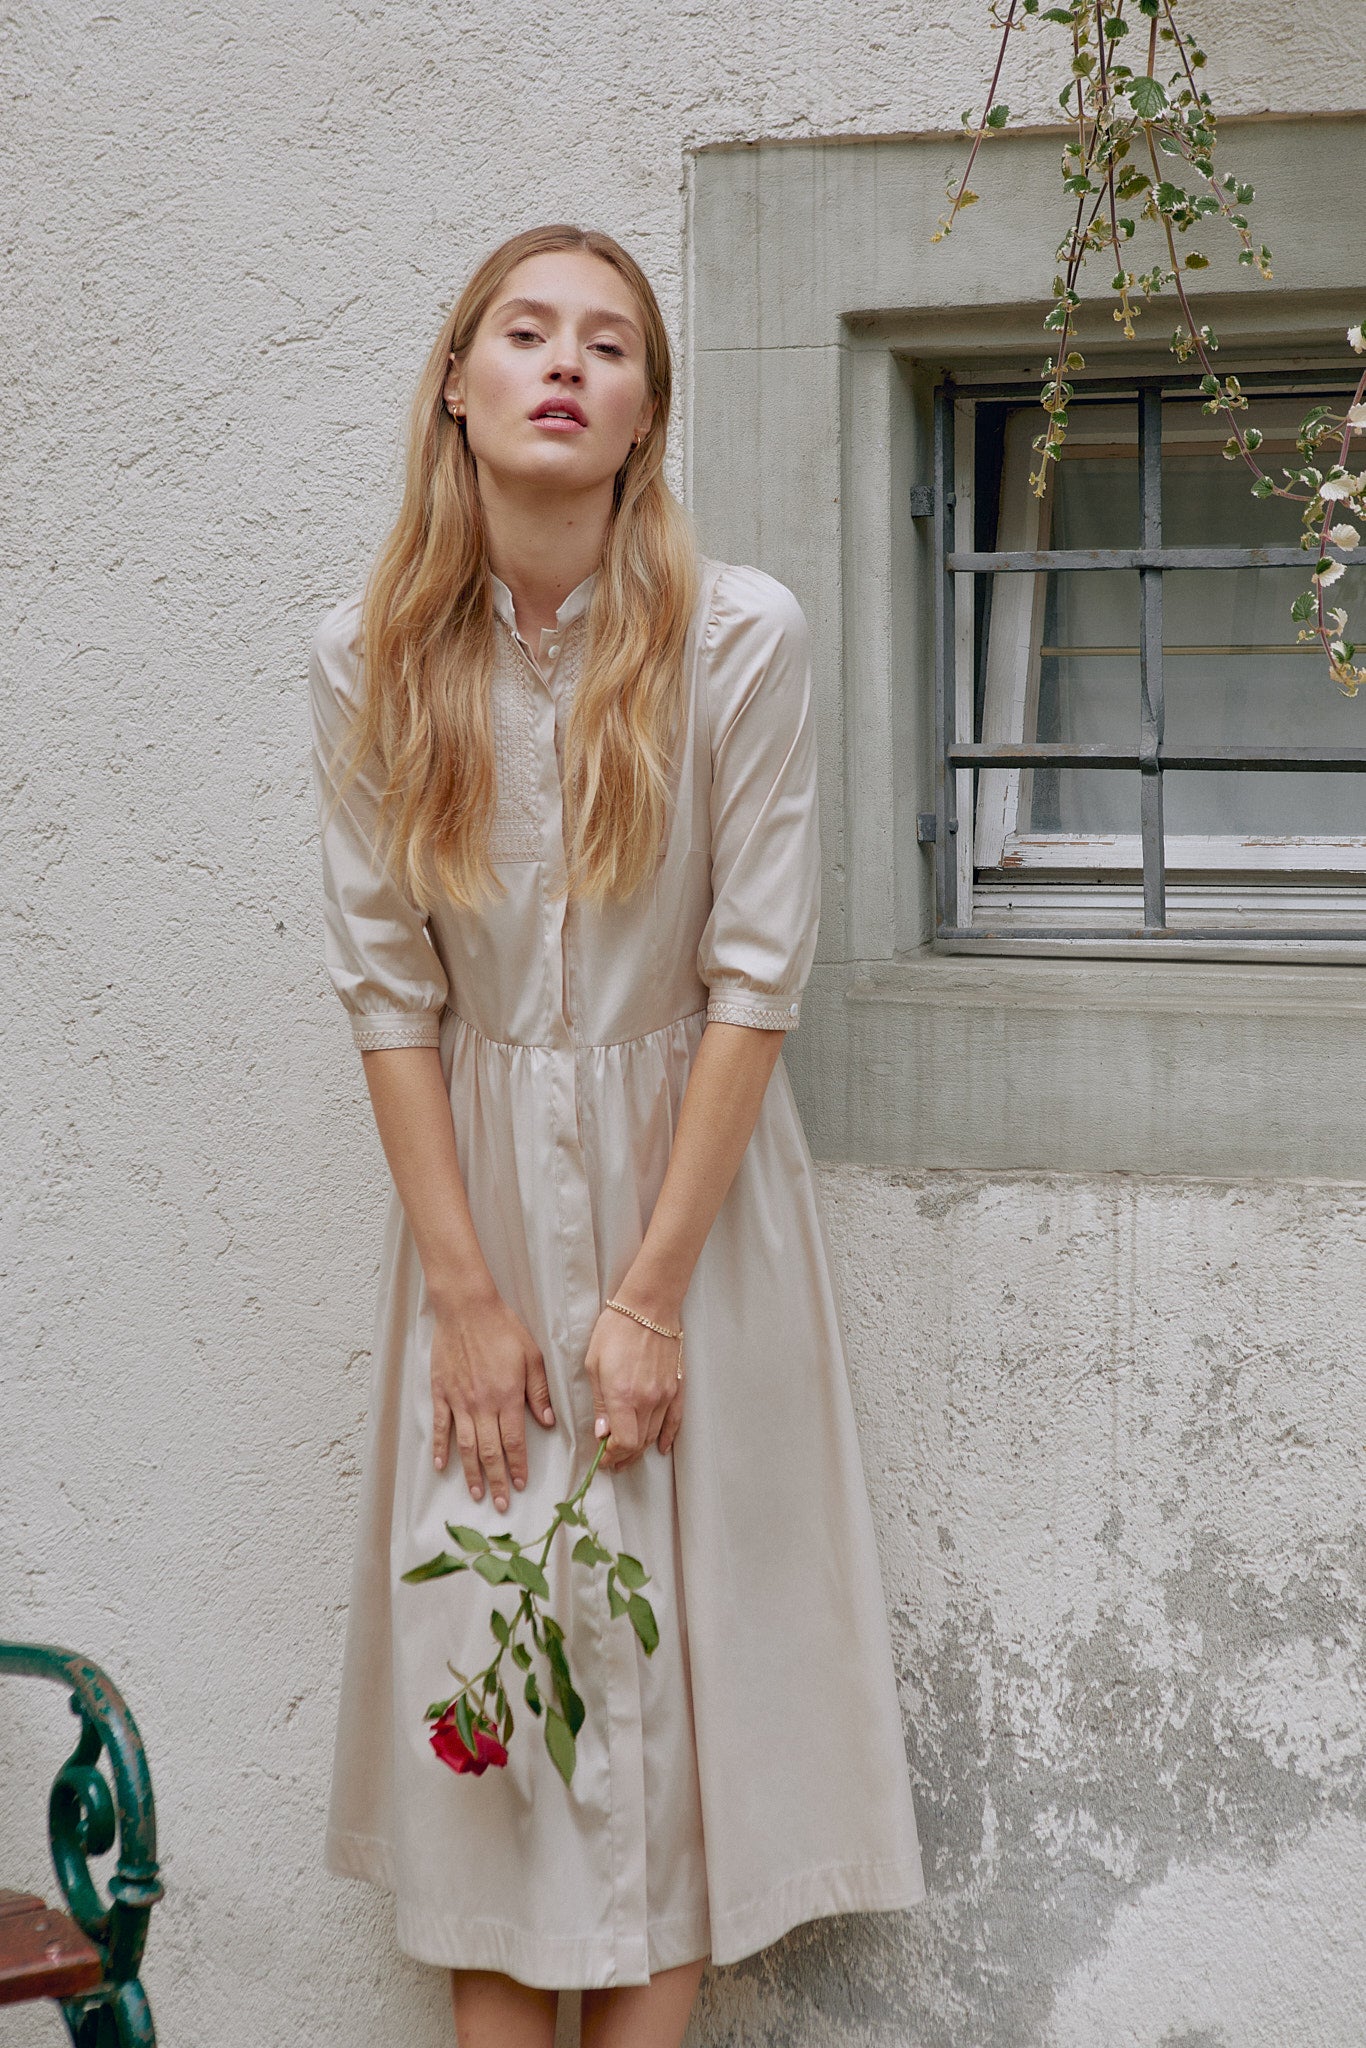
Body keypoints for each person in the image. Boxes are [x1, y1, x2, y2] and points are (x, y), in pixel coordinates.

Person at [308, 223, 924, 2048]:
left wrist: (647, 1296)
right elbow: (387, 993)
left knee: (666, 1677)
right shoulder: (364, 660)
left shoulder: (737, 637)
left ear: (649, 411)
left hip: (695, 1208)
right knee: (483, 1680)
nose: (565, 362)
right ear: (459, 379)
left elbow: (752, 977)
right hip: (473, 1214)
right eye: (524, 331)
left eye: (610, 344)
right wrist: (464, 1300)